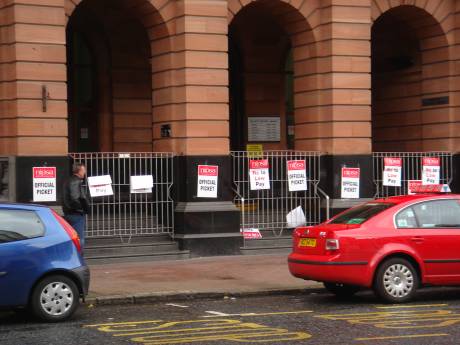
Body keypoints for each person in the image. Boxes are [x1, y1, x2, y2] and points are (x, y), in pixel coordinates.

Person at [63, 163, 90, 249]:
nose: (85, 172)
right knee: (79, 238)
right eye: (84, 170)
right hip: (76, 214)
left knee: (72, 237)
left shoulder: (68, 181)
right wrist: (82, 209)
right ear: (79, 171)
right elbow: (75, 198)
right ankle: (79, 257)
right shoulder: (75, 181)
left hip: (69, 212)